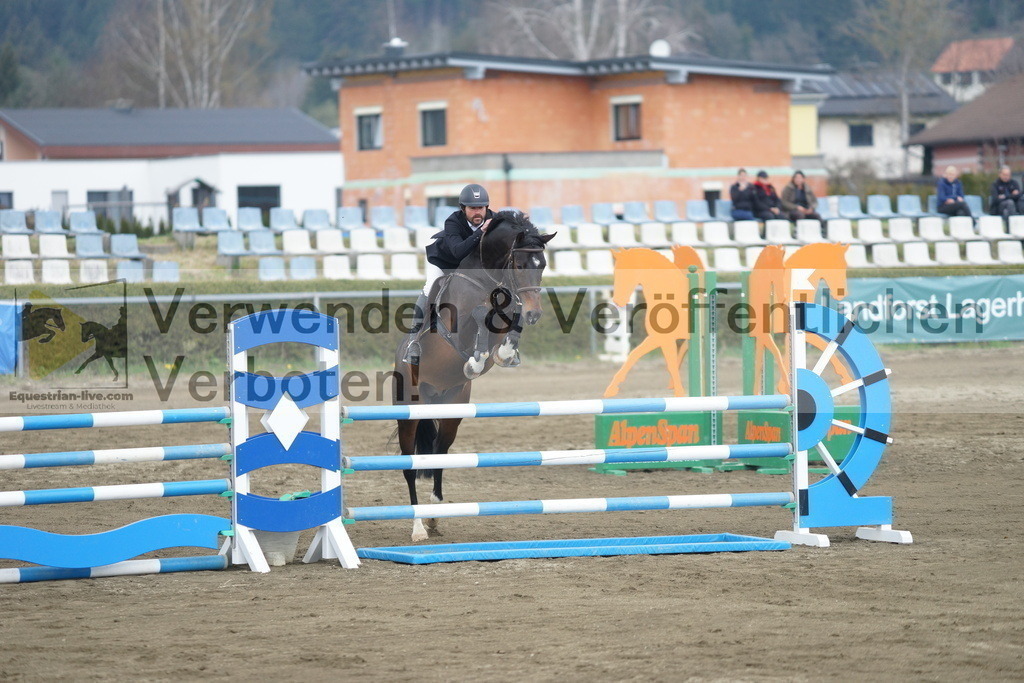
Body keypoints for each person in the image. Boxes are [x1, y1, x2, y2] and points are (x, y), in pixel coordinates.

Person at [403, 183, 494, 365]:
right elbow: (458, 252)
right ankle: (413, 341)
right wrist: (482, 232)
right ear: (463, 209)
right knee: (430, 290)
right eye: (472, 208)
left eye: (481, 208)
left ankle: (509, 342)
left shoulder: (494, 220)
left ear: (487, 207)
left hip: (470, 267)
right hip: (445, 262)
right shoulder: (453, 221)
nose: (478, 212)